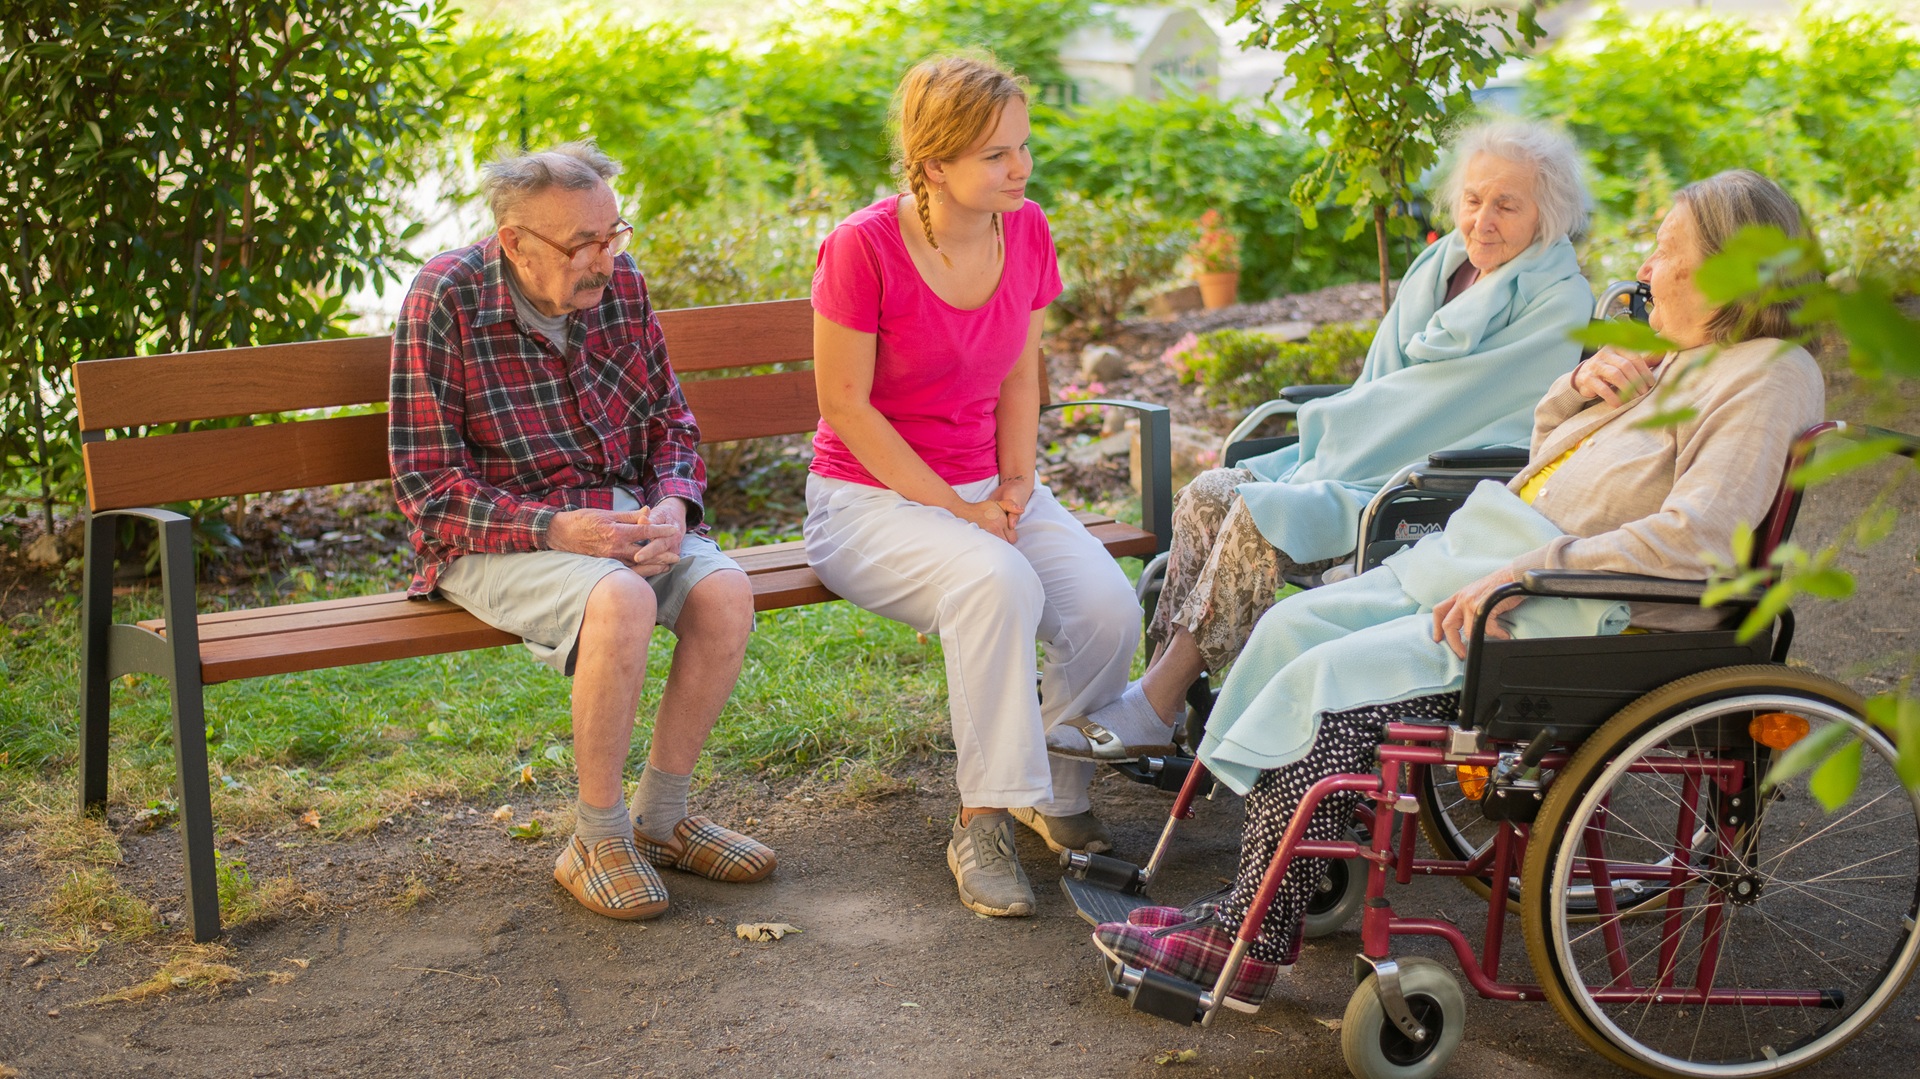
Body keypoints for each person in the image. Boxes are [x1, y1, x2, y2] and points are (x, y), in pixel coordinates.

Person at [1089, 169, 1827, 1007]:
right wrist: (1576, 390)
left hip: (1569, 613)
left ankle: (1248, 938)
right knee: (1293, 629)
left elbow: (1700, 539)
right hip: (1496, 563)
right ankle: (1253, 898)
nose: (1646, 269)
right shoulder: (1688, 359)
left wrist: (1527, 572)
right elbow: (1547, 466)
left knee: (1330, 683)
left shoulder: (1765, 375)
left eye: (1666, 250)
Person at [1051, 120, 1596, 763]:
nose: (1483, 220)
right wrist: (1352, 424)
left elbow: (1461, 402)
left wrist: (1350, 426)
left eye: (1507, 205)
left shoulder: (1558, 298)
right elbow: (1388, 382)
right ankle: (1173, 705)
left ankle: (1152, 704)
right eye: (1473, 199)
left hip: (1423, 485)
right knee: (1207, 492)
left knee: (1258, 520)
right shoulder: (1442, 263)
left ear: (1547, 215)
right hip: (1363, 454)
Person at [389, 141, 771, 922]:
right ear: (514, 242)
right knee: (622, 598)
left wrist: (673, 504)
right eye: (582, 243)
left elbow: (670, 422)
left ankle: (662, 818)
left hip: (616, 519)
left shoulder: (620, 285)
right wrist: (559, 528)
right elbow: (427, 489)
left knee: (726, 592)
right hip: (492, 538)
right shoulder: (447, 297)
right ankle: (596, 839)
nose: (604, 258)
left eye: (613, 234)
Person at [803, 55, 1142, 918]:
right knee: (996, 581)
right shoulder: (863, 247)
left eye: (1023, 146)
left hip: (991, 485)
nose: (1020, 168)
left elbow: (1021, 372)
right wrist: (958, 511)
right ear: (932, 164)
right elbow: (845, 406)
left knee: (1108, 608)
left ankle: (1050, 791)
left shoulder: (1024, 229)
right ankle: (981, 819)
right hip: (868, 500)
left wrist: (1017, 484)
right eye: (996, 155)